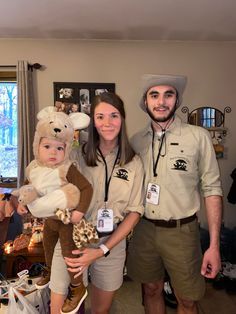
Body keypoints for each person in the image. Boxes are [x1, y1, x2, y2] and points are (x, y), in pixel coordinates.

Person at [127, 74, 223, 314]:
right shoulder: (136, 141)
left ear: (177, 100)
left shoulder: (198, 137)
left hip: (183, 231)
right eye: (154, 95)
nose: (161, 101)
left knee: (188, 299)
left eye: (168, 94)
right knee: (151, 289)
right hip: (144, 229)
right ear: (145, 101)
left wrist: (214, 246)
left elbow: (212, 190)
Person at [50, 92, 144, 314]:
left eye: (114, 115)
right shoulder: (77, 155)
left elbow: (134, 212)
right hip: (72, 239)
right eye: (100, 117)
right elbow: (47, 176)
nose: (107, 123)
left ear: (122, 118)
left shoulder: (134, 162)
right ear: (92, 120)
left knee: (100, 311)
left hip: (111, 243)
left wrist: (101, 250)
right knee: (59, 310)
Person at [12, 107, 94, 314]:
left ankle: (77, 287)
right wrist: (22, 203)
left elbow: (86, 188)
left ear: (66, 150)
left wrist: (80, 212)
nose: (53, 152)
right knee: (47, 244)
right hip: (50, 221)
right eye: (47, 146)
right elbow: (29, 187)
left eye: (59, 148)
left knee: (69, 253)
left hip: (67, 220)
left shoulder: (67, 169)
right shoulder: (33, 168)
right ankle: (48, 269)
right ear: (37, 145)